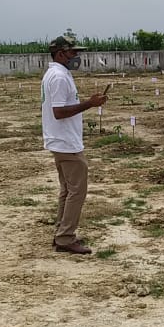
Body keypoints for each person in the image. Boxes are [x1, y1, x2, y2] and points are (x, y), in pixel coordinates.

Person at [42, 36, 108, 255]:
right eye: (72, 53)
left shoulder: (57, 74)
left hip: (61, 141)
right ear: (60, 53)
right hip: (66, 143)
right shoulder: (59, 77)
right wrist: (90, 103)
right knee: (77, 192)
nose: (76, 57)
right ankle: (65, 237)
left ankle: (62, 232)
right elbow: (59, 112)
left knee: (67, 190)